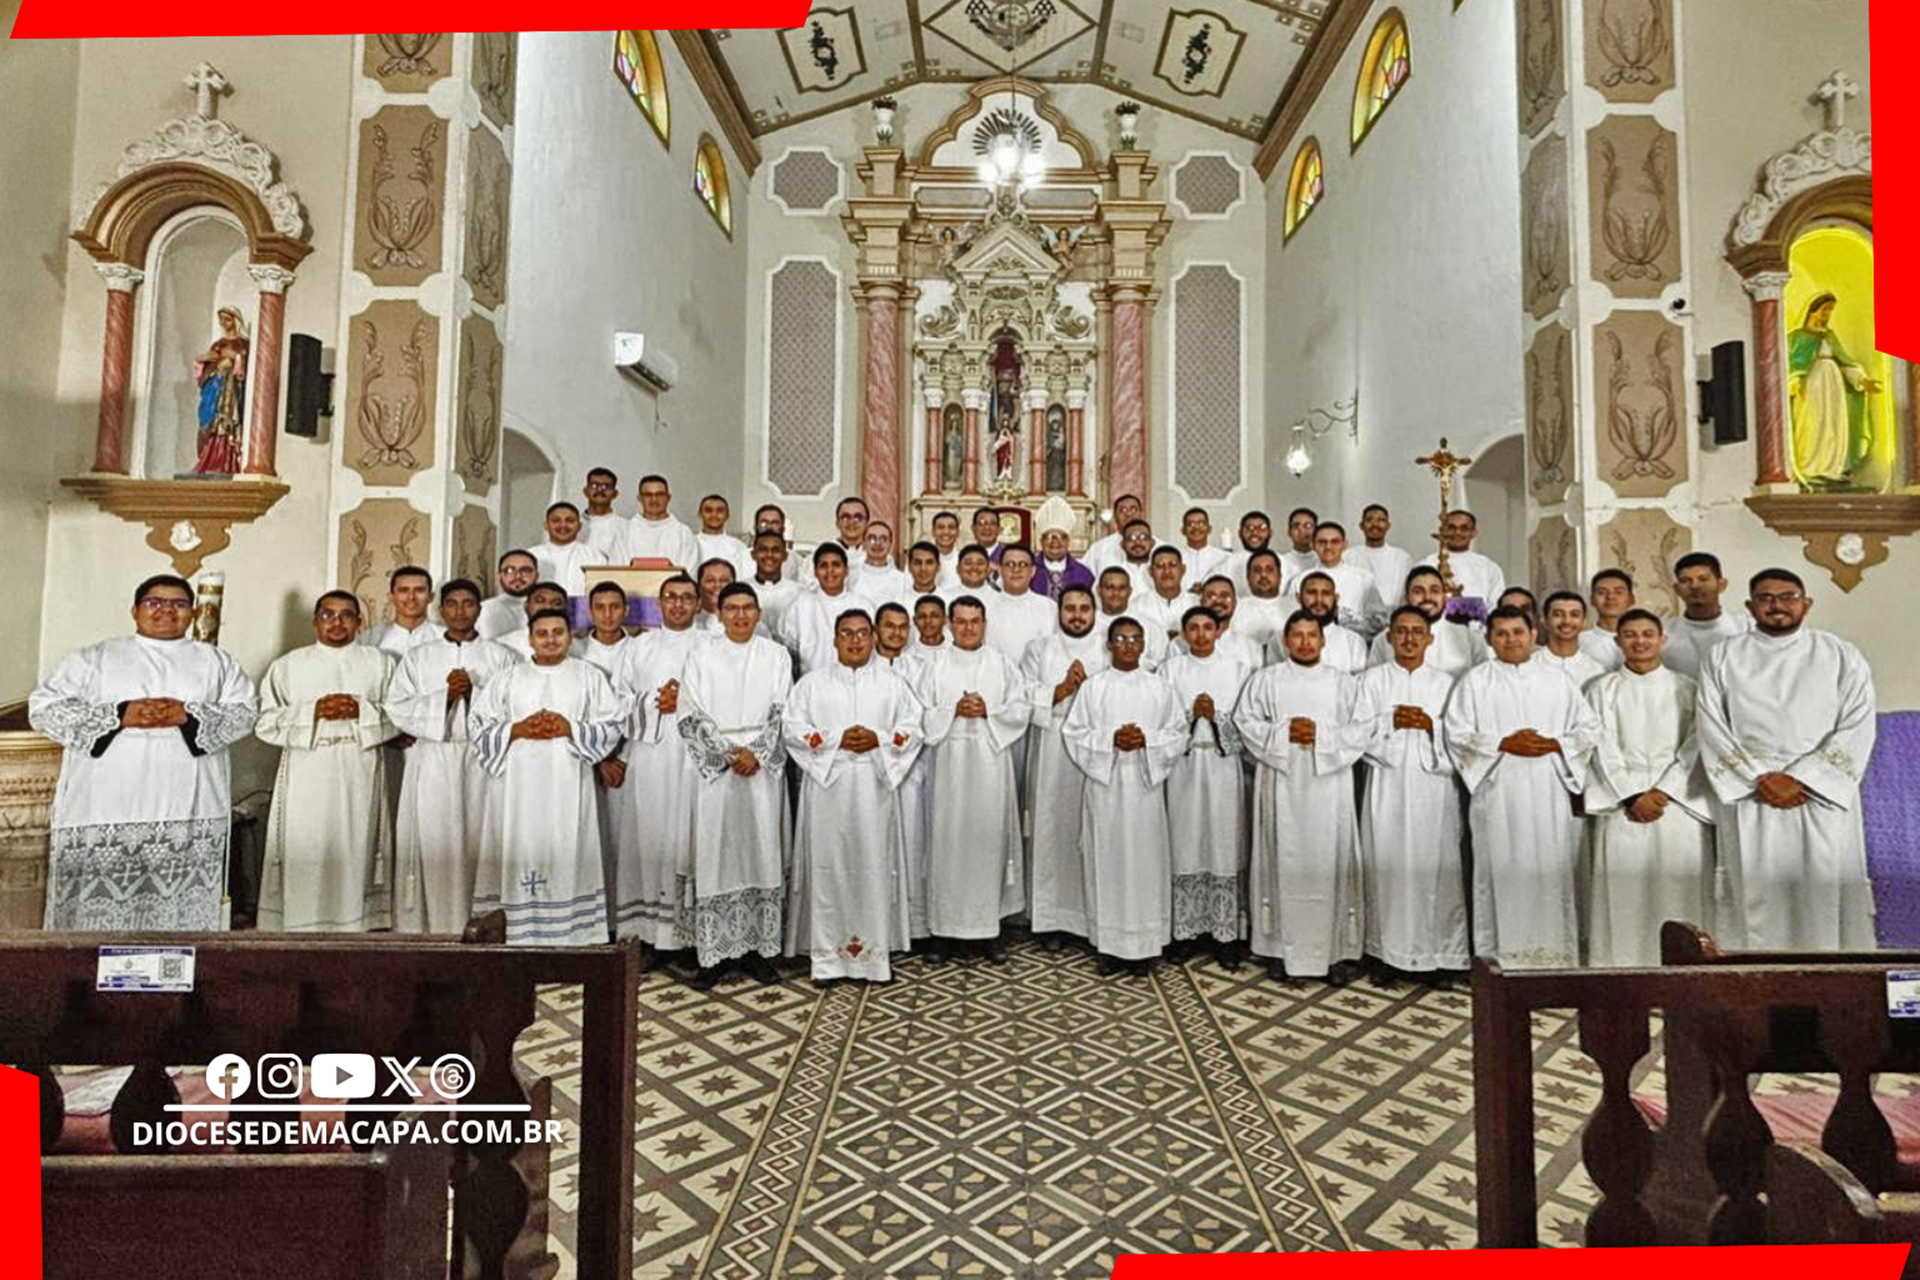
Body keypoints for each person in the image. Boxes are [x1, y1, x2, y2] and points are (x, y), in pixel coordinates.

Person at [30, 574, 257, 930]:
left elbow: (245, 713)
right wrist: (120, 714)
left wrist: (188, 715)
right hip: (106, 808)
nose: (166, 610)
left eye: (178, 604)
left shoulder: (216, 662)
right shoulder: (94, 657)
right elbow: (43, 709)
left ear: (193, 613)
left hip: (187, 812)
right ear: (135, 610)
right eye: (155, 602)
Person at [1696, 569, 1877, 949]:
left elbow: (1858, 723)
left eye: (1787, 596)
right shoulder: (1724, 656)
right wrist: (1760, 778)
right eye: (1765, 597)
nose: (1777, 605)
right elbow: (1711, 725)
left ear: (1806, 603)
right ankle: (1756, 994)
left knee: (1824, 895)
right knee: (1755, 893)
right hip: (1753, 796)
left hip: (1821, 797)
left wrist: (1806, 778)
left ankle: (1829, 995)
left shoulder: (1840, 654)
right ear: (1749, 605)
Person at [1443, 606, 1600, 969]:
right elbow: (1457, 734)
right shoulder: (1475, 681)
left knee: (1550, 869)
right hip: (1497, 793)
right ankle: (1500, 962)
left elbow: (1588, 730)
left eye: (1518, 632)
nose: (1510, 639)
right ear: (1489, 639)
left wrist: (1554, 743)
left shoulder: (1557, 680)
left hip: (1547, 792)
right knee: (1500, 870)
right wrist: (1503, 743)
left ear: (1533, 635)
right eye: (1501, 633)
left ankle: (1553, 960)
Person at [783, 609, 924, 983]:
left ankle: (873, 959)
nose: (856, 641)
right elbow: (793, 728)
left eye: (863, 633)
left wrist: (878, 738)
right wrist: (835, 740)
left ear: (874, 638)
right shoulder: (812, 684)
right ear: (835, 639)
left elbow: (912, 728)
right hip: (828, 787)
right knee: (828, 868)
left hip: (874, 788)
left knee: (873, 867)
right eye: (847, 633)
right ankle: (828, 960)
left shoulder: (892, 683)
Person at [469, 608, 622, 944]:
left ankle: (574, 933)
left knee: (571, 843)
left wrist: (571, 728)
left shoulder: (588, 676)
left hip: (568, 779)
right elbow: (478, 725)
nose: (551, 639)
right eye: (543, 633)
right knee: (522, 846)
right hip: (519, 786)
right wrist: (519, 728)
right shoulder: (509, 678)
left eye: (558, 632)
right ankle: (522, 932)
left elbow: (612, 725)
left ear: (570, 636)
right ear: (530, 639)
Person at [1234, 610, 1369, 980]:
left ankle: (1334, 954)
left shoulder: (1344, 684)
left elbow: (1362, 729)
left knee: (1332, 861)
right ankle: (1278, 949)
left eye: (1313, 635)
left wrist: (1321, 738)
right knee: (1280, 858)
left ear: (1324, 641)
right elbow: (1245, 722)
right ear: (1285, 641)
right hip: (1280, 781)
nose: (1306, 642)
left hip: (1330, 787)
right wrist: (1284, 735)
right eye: (1298, 635)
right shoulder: (1266, 680)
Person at [255, 591, 398, 932]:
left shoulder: (380, 662)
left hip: (358, 769)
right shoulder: (288, 665)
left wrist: (360, 710)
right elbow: (264, 722)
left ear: (359, 623)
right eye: (328, 615)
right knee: (307, 844)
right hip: (307, 771)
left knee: (355, 847)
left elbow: (402, 715)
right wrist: (314, 712)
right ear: (315, 620)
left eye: (346, 615)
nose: (337, 622)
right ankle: (300, 923)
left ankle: (356, 925)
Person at [1583, 610, 1716, 967]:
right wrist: (1631, 795)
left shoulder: (1687, 688)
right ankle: (1623, 970)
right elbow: (1599, 745)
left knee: (1678, 885)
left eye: (1647, 634)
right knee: (1624, 890)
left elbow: (1698, 744)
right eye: (1630, 635)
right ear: (1618, 641)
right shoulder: (1601, 689)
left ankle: (1683, 969)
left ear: (1662, 640)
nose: (1639, 641)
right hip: (1623, 802)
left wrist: (1663, 791)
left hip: (1675, 803)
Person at [385, 578, 517, 934]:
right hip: (432, 759)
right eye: (453, 604)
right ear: (440, 610)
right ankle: (434, 927)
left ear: (479, 609)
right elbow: (396, 705)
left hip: (482, 761)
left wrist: (475, 692)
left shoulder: (501, 656)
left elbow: (516, 705)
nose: (461, 611)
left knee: (480, 841)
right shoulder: (419, 657)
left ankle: (484, 926)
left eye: (469, 604)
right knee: (435, 840)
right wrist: (443, 698)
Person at [679, 583, 794, 986]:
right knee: (716, 854)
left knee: (762, 850)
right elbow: (690, 712)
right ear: (719, 612)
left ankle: (760, 952)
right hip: (719, 771)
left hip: (760, 771)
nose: (741, 616)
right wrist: (729, 754)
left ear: (758, 613)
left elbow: (784, 711)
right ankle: (713, 956)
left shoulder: (775, 655)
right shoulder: (700, 655)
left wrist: (757, 754)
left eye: (748, 608)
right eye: (733, 608)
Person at [1063, 618, 1186, 975]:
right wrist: (1109, 741)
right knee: (1108, 861)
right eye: (1121, 639)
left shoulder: (1159, 687)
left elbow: (1177, 733)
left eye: (1135, 639)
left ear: (1144, 644)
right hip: (1106, 789)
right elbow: (1074, 732)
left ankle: (1146, 947)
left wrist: (1146, 740)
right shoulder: (1094, 687)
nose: (1128, 645)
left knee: (1145, 863)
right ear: (1109, 644)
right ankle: (1109, 946)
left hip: (1145, 792)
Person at [913, 597, 1030, 961]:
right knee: (946, 845)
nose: (967, 628)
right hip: (948, 771)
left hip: (991, 768)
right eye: (960, 621)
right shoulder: (933, 666)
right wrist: (953, 711)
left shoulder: (1002, 665)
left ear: (984, 623)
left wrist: (989, 711)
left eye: (974, 621)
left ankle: (988, 930)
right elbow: (918, 712)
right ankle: (943, 932)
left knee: (988, 844)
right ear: (949, 624)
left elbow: (1020, 708)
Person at [1353, 606, 1467, 975]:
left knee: (1435, 868)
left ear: (1430, 638)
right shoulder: (1371, 681)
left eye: (1417, 632)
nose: (1409, 639)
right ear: (1389, 637)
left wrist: (1430, 726)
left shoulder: (1447, 683)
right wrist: (1390, 722)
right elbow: (1354, 735)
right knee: (1387, 865)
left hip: (1433, 788)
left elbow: (1461, 739)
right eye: (1401, 631)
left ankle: (1440, 956)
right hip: (1386, 786)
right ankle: (1385, 954)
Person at [605, 575, 706, 948]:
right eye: (671, 598)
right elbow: (616, 702)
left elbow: (725, 700)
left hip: (694, 757)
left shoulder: (711, 645)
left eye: (686, 598)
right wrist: (653, 703)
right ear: (660, 604)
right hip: (650, 756)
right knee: (647, 837)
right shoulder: (639, 647)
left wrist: (687, 700)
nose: (678, 605)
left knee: (689, 839)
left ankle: (690, 937)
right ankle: (646, 935)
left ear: (698, 604)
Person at [1160, 607, 1256, 967]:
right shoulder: (1170, 670)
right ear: (1183, 634)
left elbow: (1248, 726)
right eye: (1193, 629)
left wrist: (1216, 717)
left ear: (1218, 631)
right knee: (1185, 843)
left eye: (1207, 628)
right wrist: (1190, 718)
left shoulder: (1237, 670)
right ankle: (1185, 932)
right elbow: (1161, 720)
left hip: (1222, 766)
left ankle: (1225, 935)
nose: (1200, 635)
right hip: (1183, 767)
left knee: (1223, 843)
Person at [1021, 586, 1109, 946]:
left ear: (1094, 611)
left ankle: (1093, 920)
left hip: (1095, 751)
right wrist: (1058, 691)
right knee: (1051, 829)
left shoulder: (1108, 647)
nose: (1077, 615)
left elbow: (1121, 692)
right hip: (1053, 750)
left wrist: (1087, 691)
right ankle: (1051, 919)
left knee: (1092, 831)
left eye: (1084, 608)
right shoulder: (1039, 649)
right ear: (1058, 611)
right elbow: (1024, 694)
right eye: (1070, 608)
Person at [1789, 291, 1881, 486]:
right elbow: (1791, 363)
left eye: (1830, 310)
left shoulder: (1830, 337)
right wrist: (1794, 379)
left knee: (1834, 422)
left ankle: (1832, 468)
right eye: (1825, 309)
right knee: (1813, 422)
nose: (1827, 314)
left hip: (1832, 382)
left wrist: (1861, 380)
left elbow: (1845, 361)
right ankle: (1808, 467)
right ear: (1812, 311)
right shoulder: (1797, 337)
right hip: (1811, 383)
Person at [1366, 567, 1488, 675]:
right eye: (1418, 591)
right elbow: (1373, 684)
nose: (1427, 597)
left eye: (1434, 590)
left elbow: (1482, 688)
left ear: (1444, 597)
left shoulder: (1471, 639)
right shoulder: (1384, 640)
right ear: (1406, 598)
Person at [1285, 522, 1383, 636]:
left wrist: (1344, 618)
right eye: (1322, 542)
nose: (1328, 547)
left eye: (1335, 542)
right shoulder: (1299, 580)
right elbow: (1290, 620)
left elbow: (1379, 622)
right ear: (1312, 545)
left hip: (1351, 645)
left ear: (1345, 545)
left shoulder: (1364, 579)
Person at [1664, 552, 1751, 680]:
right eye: (1685, 581)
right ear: (1677, 589)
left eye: (1703, 579)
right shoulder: (1663, 632)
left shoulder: (1747, 627)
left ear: (1722, 585)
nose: (1694, 586)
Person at [782, 543, 865, 675]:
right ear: (815, 571)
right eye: (823, 566)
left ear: (846, 570)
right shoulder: (801, 605)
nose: (830, 571)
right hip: (812, 685)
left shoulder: (863, 605)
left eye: (836, 565)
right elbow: (790, 650)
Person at [1281, 572, 1368, 672]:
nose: (1319, 600)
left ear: (1336, 598)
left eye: (1326, 593)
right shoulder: (1280, 640)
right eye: (1312, 592)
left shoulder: (1354, 642)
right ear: (1299, 598)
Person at [1420, 510, 1506, 611]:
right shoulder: (1426, 564)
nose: (1457, 532)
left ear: (1474, 532)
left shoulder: (1489, 568)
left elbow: (1495, 606)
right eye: (1451, 528)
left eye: (1464, 528)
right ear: (1443, 530)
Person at [985, 545, 1054, 666]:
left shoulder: (1050, 607)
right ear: (1000, 570)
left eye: (1023, 564)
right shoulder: (985, 606)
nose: (1016, 570)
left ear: (1033, 571)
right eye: (1010, 564)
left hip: (1037, 679)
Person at [1094, 565, 1168, 670]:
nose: (1115, 593)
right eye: (1109, 588)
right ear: (1099, 590)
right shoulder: (1088, 624)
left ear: (1130, 591)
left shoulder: (1150, 626)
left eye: (1122, 588)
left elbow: (1161, 663)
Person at [623, 474, 701, 569]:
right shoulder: (625, 532)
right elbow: (618, 570)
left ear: (668, 498)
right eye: (648, 495)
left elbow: (690, 571)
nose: (654, 500)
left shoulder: (683, 533)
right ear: (640, 498)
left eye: (659, 494)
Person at [363, 565, 443, 655]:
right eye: (404, 590)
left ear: (430, 597)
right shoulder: (370, 640)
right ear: (391, 597)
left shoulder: (444, 638)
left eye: (419, 590)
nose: (411, 597)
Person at [1346, 505, 1412, 613]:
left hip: (1394, 618)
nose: (1375, 524)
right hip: (1358, 619)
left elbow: (1408, 593)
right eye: (1369, 520)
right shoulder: (1348, 556)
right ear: (1361, 526)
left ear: (1388, 525)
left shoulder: (1402, 558)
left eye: (1381, 520)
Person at [1538, 591, 1608, 689]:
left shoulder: (1596, 670)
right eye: (1558, 614)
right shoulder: (1529, 664)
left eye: (1574, 615)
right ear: (1544, 621)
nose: (1567, 621)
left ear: (1584, 622)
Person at [528, 501, 599, 596]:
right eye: (556, 521)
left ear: (579, 526)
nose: (563, 525)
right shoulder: (532, 555)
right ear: (546, 525)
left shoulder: (595, 557)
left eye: (570, 521)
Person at [1032, 497, 1094, 601]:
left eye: (1062, 537)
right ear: (1041, 541)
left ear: (1068, 541)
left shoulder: (1084, 573)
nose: (1055, 542)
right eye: (1049, 537)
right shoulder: (1028, 571)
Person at [747, 530, 801, 640]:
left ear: (785, 556)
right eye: (763, 550)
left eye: (776, 550)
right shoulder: (741, 590)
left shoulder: (799, 593)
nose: (769, 555)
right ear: (753, 554)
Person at [1131, 545, 1192, 642]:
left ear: (1183, 569)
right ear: (1150, 572)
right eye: (1160, 566)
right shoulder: (1136, 606)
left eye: (1172, 565)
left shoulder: (1197, 603)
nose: (1166, 571)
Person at [1234, 550, 1290, 654]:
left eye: (1269, 569)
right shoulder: (1235, 608)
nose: (1263, 575)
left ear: (1280, 575)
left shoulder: (1293, 607)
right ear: (1248, 577)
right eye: (1257, 570)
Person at [497, 582, 570, 660]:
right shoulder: (502, 645)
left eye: (556, 603)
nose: (547, 607)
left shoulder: (579, 648)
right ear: (526, 606)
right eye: (540, 601)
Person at [478, 550, 538, 639]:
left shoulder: (549, 607)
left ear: (536, 576)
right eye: (509, 570)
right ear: (499, 576)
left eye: (525, 570)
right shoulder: (483, 610)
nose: (518, 576)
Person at [573, 581, 631, 672]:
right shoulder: (575, 651)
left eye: (615, 607)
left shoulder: (640, 650)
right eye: (600, 607)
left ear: (626, 610)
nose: (607, 614)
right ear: (590, 613)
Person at [1581, 569, 1632, 671]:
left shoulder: (1645, 641)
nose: (1610, 597)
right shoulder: (1579, 642)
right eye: (1602, 592)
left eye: (1618, 592)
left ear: (1631, 599)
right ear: (1592, 600)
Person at [694, 493, 753, 580]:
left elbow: (746, 578)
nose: (714, 515)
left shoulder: (738, 547)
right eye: (708, 510)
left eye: (720, 510)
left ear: (727, 515)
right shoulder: (691, 544)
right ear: (699, 514)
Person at [1082, 494, 1143, 579]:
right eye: (1123, 510)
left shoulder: (1157, 546)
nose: (1128, 514)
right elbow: (1083, 577)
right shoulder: (1098, 549)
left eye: (1133, 509)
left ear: (1141, 514)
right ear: (1115, 517)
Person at [856, 521, 912, 608]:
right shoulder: (852, 577)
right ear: (863, 543)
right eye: (872, 538)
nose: (878, 543)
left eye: (883, 539)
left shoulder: (903, 580)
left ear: (890, 544)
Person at [580, 466, 629, 559]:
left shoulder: (626, 528)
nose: (600, 490)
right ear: (585, 491)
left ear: (615, 494)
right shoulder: (572, 526)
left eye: (606, 486)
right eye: (594, 485)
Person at [1224, 511, 1273, 596]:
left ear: (1270, 533)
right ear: (1240, 533)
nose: (1254, 533)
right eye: (1249, 529)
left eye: (1261, 528)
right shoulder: (1227, 564)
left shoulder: (1284, 563)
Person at [1178, 507, 1231, 585]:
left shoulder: (1225, 557)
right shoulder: (1175, 557)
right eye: (1191, 524)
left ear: (1209, 529)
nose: (1196, 527)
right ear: (1183, 531)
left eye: (1201, 523)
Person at [1115, 519, 1158, 600]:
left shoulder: (1162, 572)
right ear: (1122, 545)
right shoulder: (1112, 573)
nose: (1137, 542)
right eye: (1131, 539)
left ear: (1152, 543)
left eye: (1143, 538)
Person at [694, 557, 737, 635]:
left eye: (724, 580)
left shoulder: (752, 625)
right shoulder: (688, 624)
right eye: (710, 580)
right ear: (699, 587)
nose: (717, 585)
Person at [1278, 507, 1319, 582]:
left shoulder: (1322, 562)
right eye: (1296, 526)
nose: (1301, 530)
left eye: (1308, 526)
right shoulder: (1280, 561)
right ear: (1289, 532)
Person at [904, 541, 945, 606]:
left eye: (929, 563)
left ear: (938, 567)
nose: (923, 569)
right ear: (909, 566)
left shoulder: (948, 602)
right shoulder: (899, 602)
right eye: (917, 563)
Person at [930, 511, 964, 587]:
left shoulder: (966, 560)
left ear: (958, 532)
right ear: (933, 532)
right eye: (941, 527)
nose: (946, 532)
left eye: (951, 527)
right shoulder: (919, 559)